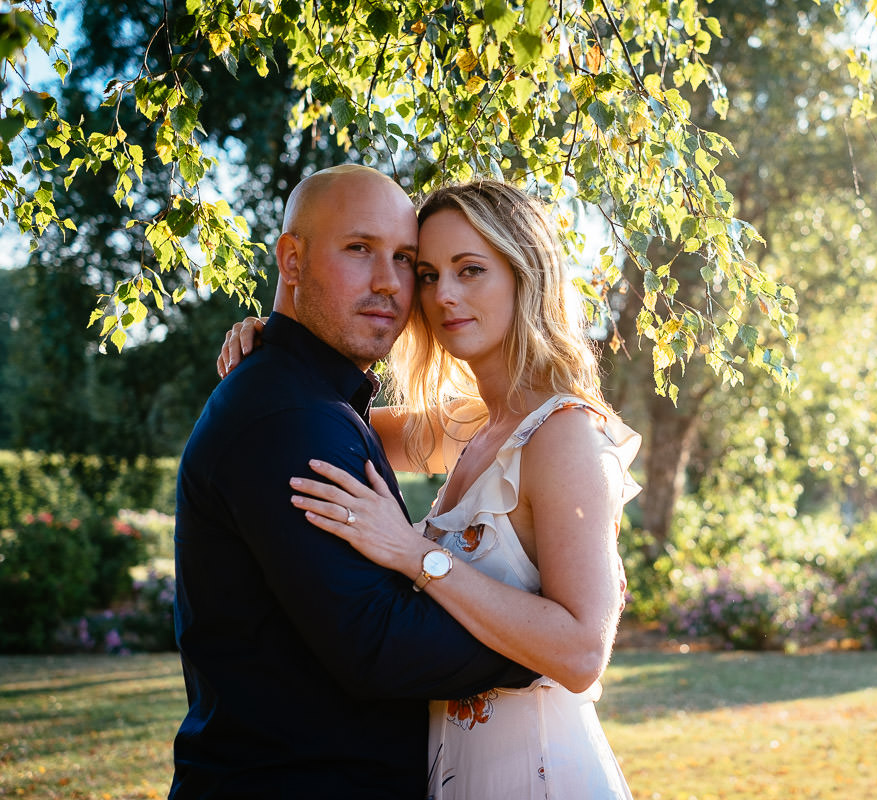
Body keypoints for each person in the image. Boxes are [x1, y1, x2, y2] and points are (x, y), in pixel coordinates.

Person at [220, 180, 640, 799]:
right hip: (456, 772)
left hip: (537, 775)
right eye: (429, 273)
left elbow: (582, 653)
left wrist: (416, 555)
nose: (444, 295)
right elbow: (322, 413)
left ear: (526, 275)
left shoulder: (563, 435)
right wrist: (274, 337)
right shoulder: (475, 424)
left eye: (471, 270)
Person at [172, 165, 536, 800]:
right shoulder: (290, 414)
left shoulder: (315, 403)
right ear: (291, 259)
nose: (389, 284)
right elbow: (380, 644)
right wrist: (546, 643)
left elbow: (495, 426)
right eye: (360, 249)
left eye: (404, 260)